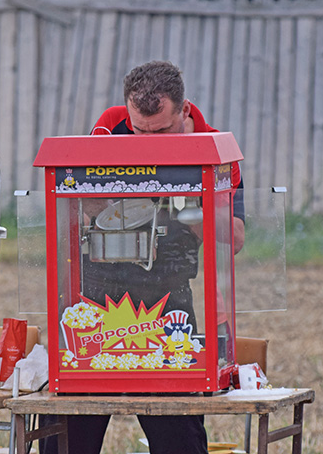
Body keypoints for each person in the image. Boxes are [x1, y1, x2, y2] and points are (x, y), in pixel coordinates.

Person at [40, 60, 245, 454]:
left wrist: (191, 203)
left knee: (176, 434)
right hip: (94, 299)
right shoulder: (109, 126)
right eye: (140, 130)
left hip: (170, 301)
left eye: (162, 131)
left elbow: (234, 238)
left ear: (184, 111)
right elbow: (72, 202)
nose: (150, 139)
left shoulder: (215, 148)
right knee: (69, 430)